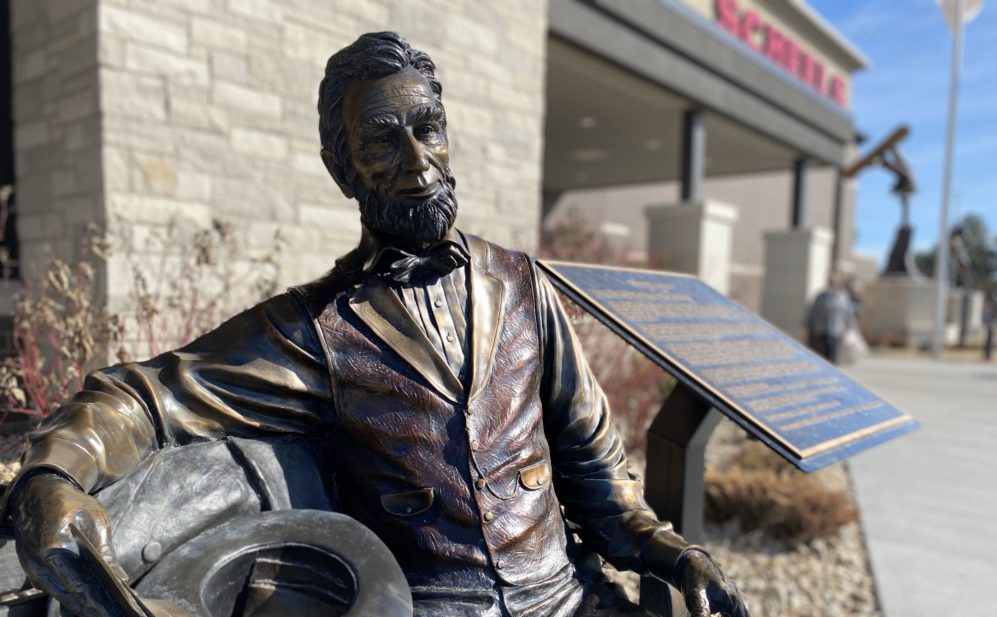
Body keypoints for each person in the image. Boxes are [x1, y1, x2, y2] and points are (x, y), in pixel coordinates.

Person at [5, 32, 747, 617]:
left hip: (571, 598)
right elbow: (145, 396)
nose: (418, 160)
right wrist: (52, 475)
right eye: (383, 140)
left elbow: (598, 479)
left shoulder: (526, 286)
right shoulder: (314, 327)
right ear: (342, 168)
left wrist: (675, 554)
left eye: (430, 128)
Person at [806, 271, 855, 364]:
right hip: (820, 331)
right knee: (820, 357)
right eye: (831, 280)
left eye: (835, 280)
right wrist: (806, 325)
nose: (833, 283)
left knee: (832, 358)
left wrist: (851, 326)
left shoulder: (843, 297)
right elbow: (812, 312)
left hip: (835, 331)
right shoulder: (821, 296)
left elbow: (848, 313)